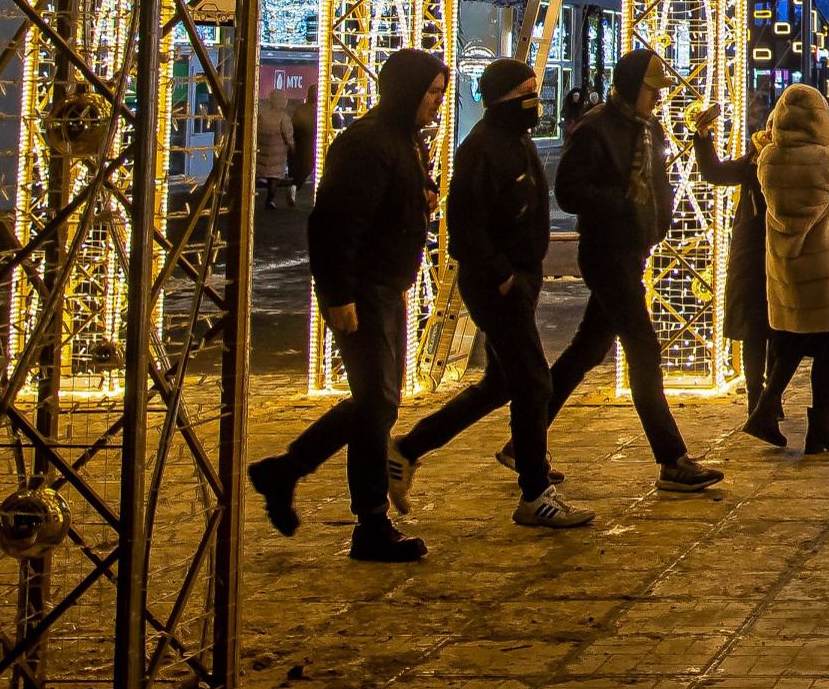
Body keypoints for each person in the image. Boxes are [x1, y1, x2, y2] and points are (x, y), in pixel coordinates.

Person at [249, 49, 445, 562]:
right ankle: (366, 520)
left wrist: (420, 196)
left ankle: (289, 472)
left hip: (386, 286)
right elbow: (332, 225)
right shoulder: (366, 144)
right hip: (364, 290)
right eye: (430, 94)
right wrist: (339, 297)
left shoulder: (402, 140)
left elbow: (392, 198)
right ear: (406, 92)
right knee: (377, 404)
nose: (436, 105)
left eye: (441, 94)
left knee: (377, 403)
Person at [387, 58, 591, 530]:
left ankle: (407, 449)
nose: (535, 100)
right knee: (534, 382)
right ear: (501, 97)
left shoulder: (515, 140)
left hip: (519, 281)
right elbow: (466, 228)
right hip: (497, 286)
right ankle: (535, 492)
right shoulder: (481, 149)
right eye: (525, 91)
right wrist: (504, 277)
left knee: (502, 384)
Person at [541, 51, 728, 492]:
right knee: (643, 351)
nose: (657, 99)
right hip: (606, 253)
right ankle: (672, 459)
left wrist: (658, 221)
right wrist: (621, 199)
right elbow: (567, 192)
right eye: (651, 90)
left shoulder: (649, 128)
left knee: (586, 350)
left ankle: (523, 438)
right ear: (630, 87)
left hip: (633, 252)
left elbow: (658, 182)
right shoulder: (595, 128)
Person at [747, 83, 829, 452]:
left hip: (787, 266)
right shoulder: (824, 158)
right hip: (823, 269)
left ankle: (766, 410)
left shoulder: (768, 158)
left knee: (792, 342)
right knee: (826, 348)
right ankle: (818, 429)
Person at [689, 98, 777, 433]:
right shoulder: (755, 160)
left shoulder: (782, 159)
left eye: (775, 126)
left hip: (777, 250)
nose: (769, 131)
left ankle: (768, 400)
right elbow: (714, 172)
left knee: (776, 330)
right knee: (757, 329)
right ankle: (758, 401)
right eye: (768, 125)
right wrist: (702, 136)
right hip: (754, 252)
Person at [256, 91, 295, 210]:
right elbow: (288, 135)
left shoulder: (263, 115)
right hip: (277, 152)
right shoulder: (283, 118)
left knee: (263, 173)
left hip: (263, 150)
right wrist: (292, 146)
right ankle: (270, 198)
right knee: (274, 176)